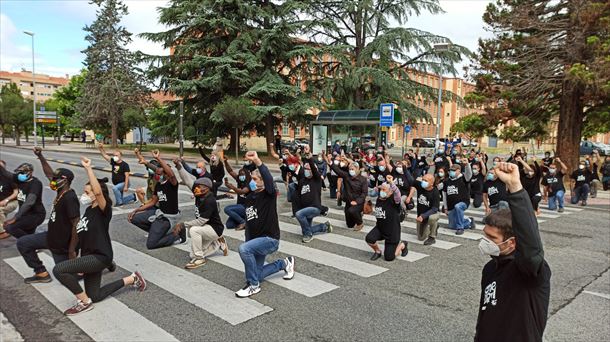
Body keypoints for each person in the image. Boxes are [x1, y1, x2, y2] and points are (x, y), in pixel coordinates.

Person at [53, 157, 146, 315]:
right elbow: (85, 238)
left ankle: (84, 301)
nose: (84, 195)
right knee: (95, 295)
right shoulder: (89, 210)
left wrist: (88, 169)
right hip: (90, 258)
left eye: (87, 192)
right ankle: (132, 279)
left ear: (96, 195)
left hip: (100, 256)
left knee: (59, 270)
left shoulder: (104, 210)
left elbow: (97, 191)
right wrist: (81, 263)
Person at [474, 162, 551, 342]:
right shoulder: (490, 268)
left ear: (512, 243)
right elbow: (484, 314)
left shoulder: (528, 271)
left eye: (492, 238)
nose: (485, 241)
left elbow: (531, 245)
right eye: (485, 235)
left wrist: (515, 187)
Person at [15, 147, 80, 283]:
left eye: (56, 179)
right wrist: (41, 156)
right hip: (50, 236)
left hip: (62, 243)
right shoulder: (60, 191)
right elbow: (49, 173)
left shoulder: (70, 198)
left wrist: (72, 250)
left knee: (66, 277)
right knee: (23, 243)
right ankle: (41, 273)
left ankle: (100, 265)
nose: (52, 181)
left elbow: (76, 224)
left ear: (65, 180)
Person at [235, 151, 295, 298]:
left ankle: (253, 286)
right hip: (256, 241)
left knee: (243, 250)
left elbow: (268, 179)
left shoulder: (268, 194)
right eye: (251, 179)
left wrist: (258, 161)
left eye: (255, 178)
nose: (252, 181)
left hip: (269, 239)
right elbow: (249, 223)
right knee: (258, 273)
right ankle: (284, 263)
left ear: (262, 182)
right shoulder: (250, 197)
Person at [128, 150, 185, 249]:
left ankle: (177, 235)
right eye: (157, 173)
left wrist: (158, 158)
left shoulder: (172, 183)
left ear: (166, 174)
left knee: (151, 245)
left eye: (161, 172)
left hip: (168, 217)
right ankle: (156, 232)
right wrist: (136, 210)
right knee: (133, 218)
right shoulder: (158, 185)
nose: (157, 174)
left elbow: (171, 174)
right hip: (159, 213)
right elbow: (152, 202)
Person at [172, 174, 227, 269]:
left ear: (206, 188)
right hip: (205, 229)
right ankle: (217, 244)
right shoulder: (200, 196)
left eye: (198, 187)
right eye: (196, 187)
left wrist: (183, 224)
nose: (195, 189)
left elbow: (201, 221)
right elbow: (187, 179)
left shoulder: (209, 200)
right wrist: (179, 166)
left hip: (214, 229)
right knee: (191, 256)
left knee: (193, 230)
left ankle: (200, 258)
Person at [365, 177, 409, 261]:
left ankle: (403, 245)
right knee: (369, 239)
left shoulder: (393, 201)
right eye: (381, 190)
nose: (382, 191)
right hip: (380, 228)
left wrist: (391, 183)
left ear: (390, 192)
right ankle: (378, 252)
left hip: (392, 232)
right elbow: (371, 192)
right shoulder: (379, 198)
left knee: (389, 258)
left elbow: (397, 194)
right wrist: (377, 187)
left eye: (384, 190)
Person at [294, 146, 331, 243]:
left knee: (299, 215)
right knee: (305, 229)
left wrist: (309, 156)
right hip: (305, 208)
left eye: (308, 169)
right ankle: (324, 227)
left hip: (315, 207)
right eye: (305, 169)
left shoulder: (317, 179)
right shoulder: (302, 181)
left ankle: (308, 235)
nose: (306, 170)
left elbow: (314, 169)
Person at [0, 162, 46, 239]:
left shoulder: (35, 184)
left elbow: (29, 203)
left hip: (36, 215)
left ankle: (31, 242)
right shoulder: (19, 180)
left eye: (23, 172)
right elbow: (5, 173)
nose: (20, 175)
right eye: (19, 173)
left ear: (30, 172)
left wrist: (15, 218)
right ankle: (32, 242)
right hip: (25, 215)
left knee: (9, 227)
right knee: (27, 236)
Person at [330, 156, 368, 231]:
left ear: (357, 170)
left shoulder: (363, 180)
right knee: (349, 225)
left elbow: (364, 193)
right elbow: (338, 171)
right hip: (349, 201)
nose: (351, 171)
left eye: (353, 169)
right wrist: (330, 163)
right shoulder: (347, 176)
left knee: (352, 210)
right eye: (350, 169)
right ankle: (357, 216)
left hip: (358, 202)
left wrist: (357, 201)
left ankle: (360, 223)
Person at [442, 162, 475, 235]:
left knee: (458, 206)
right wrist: (446, 208)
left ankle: (460, 228)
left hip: (463, 202)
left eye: (454, 170)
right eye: (451, 170)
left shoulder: (463, 178)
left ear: (459, 171)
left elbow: (469, 175)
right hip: (451, 206)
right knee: (452, 226)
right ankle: (469, 221)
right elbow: (444, 195)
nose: (451, 172)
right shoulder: (447, 181)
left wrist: (467, 165)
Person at [223, 156, 251, 230]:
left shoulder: (249, 183)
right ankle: (246, 221)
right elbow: (230, 171)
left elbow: (243, 191)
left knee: (227, 209)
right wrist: (225, 162)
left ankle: (243, 222)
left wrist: (233, 188)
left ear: (247, 175)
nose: (241, 176)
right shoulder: (239, 180)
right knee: (229, 225)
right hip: (239, 207)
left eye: (243, 175)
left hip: (246, 207)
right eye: (240, 174)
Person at [413, 174, 440, 246]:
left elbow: (434, 209)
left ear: (431, 183)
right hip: (421, 216)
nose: (423, 182)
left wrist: (423, 216)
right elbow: (410, 180)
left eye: (425, 180)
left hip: (431, 214)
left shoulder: (435, 192)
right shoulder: (420, 186)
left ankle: (432, 237)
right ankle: (433, 227)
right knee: (420, 238)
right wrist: (404, 167)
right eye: (423, 180)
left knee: (432, 218)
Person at [0, 160, 19, 240]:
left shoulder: (9, 177)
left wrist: (6, 200)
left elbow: (16, 192)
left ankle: (4, 231)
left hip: (12, 202)